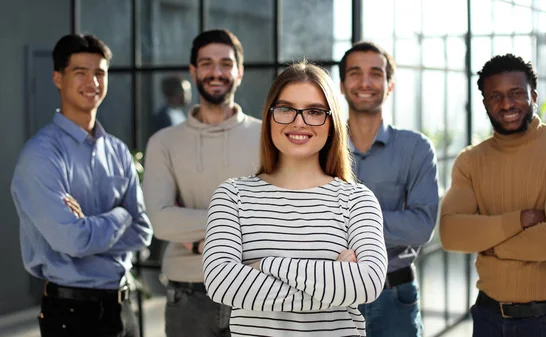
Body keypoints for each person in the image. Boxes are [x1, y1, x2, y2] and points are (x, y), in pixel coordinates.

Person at [202, 61, 388, 337]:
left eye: (314, 111)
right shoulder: (232, 196)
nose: (298, 121)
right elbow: (221, 284)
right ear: (270, 116)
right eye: (286, 109)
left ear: (331, 122)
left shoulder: (357, 200)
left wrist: (265, 265)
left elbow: (369, 284)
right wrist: (333, 282)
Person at [10, 34, 153, 337]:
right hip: (71, 314)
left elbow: (143, 232)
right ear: (57, 78)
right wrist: (120, 216)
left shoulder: (117, 151)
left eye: (100, 73)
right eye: (80, 72)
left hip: (124, 309)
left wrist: (90, 226)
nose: (93, 82)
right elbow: (73, 242)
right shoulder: (40, 155)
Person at [439, 53, 546, 337]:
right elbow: (450, 233)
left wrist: (491, 245)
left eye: (516, 93)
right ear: (484, 102)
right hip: (486, 316)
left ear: (533, 95)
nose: (507, 104)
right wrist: (520, 220)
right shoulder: (470, 160)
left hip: (543, 320)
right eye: (495, 96)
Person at [143, 29, 261, 337]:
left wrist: (197, 239)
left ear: (240, 71)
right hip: (188, 298)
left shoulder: (268, 138)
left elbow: (281, 215)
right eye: (206, 63)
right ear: (194, 71)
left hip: (256, 293)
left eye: (225, 63)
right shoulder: (164, 142)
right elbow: (161, 221)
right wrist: (241, 220)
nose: (216, 72)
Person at [338, 41, 439, 337]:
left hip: (394, 296)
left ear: (390, 85)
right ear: (342, 86)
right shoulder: (321, 147)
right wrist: (389, 224)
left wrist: (350, 224)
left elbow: (420, 228)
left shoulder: (416, 148)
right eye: (355, 73)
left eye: (376, 73)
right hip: (331, 297)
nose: (365, 82)